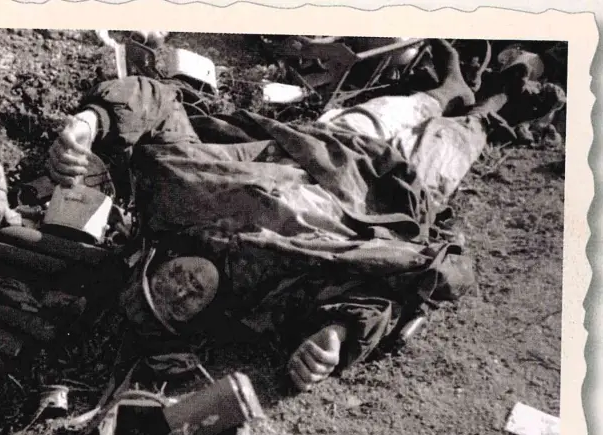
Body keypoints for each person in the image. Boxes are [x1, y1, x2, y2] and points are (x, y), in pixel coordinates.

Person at [44, 39, 540, 392]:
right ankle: (491, 105)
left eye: (165, 284)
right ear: (198, 320)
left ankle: (445, 91)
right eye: (179, 307)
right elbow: (369, 299)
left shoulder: (175, 192)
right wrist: (334, 337)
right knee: (455, 142)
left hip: (334, 150)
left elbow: (158, 101)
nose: (184, 289)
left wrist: (90, 121)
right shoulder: (265, 304)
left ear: (159, 261)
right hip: (398, 205)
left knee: (393, 112)